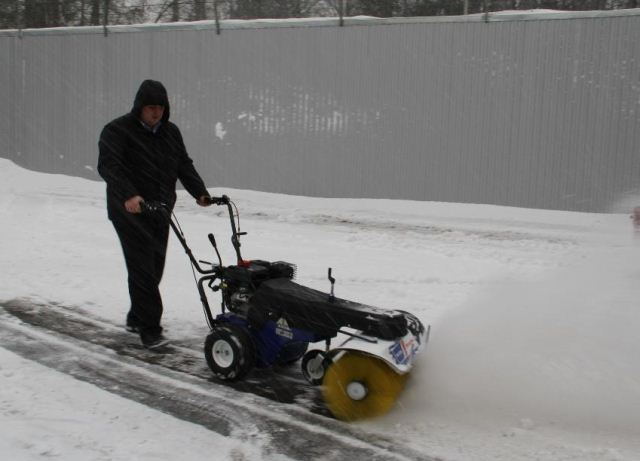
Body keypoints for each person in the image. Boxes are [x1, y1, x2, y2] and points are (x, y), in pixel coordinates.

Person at [98, 79, 211, 349]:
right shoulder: (117, 131)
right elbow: (109, 167)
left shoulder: (170, 132)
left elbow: (183, 164)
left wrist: (200, 193)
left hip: (160, 210)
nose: (156, 113)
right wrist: (129, 195)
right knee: (142, 270)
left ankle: (137, 316)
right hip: (130, 212)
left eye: (160, 107)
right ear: (139, 106)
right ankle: (150, 329)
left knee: (154, 268)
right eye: (151, 107)